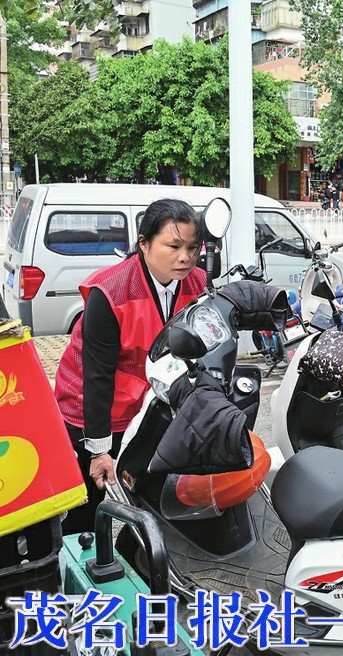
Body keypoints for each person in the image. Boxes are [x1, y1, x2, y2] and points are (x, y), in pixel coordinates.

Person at [54, 199, 207, 533]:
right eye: (173, 246)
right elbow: (96, 377)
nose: (185, 257)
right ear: (144, 243)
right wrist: (99, 450)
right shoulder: (109, 292)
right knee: (90, 511)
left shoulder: (197, 282)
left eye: (193, 248)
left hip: (147, 405)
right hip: (91, 410)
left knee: (148, 494)